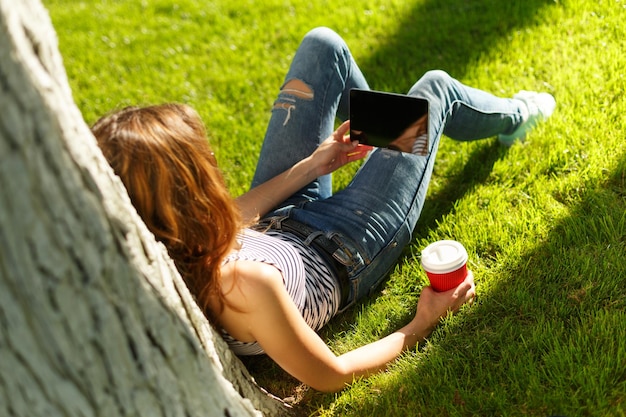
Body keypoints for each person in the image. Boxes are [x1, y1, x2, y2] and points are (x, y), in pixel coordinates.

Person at [92, 27, 556, 392]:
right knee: (435, 92)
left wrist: (313, 166)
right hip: (346, 244)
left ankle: (393, 141)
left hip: (281, 221)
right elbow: (330, 374)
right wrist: (422, 322)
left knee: (323, 47)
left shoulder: (163, 242)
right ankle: (515, 117)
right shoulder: (247, 286)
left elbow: (231, 219)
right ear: (188, 191)